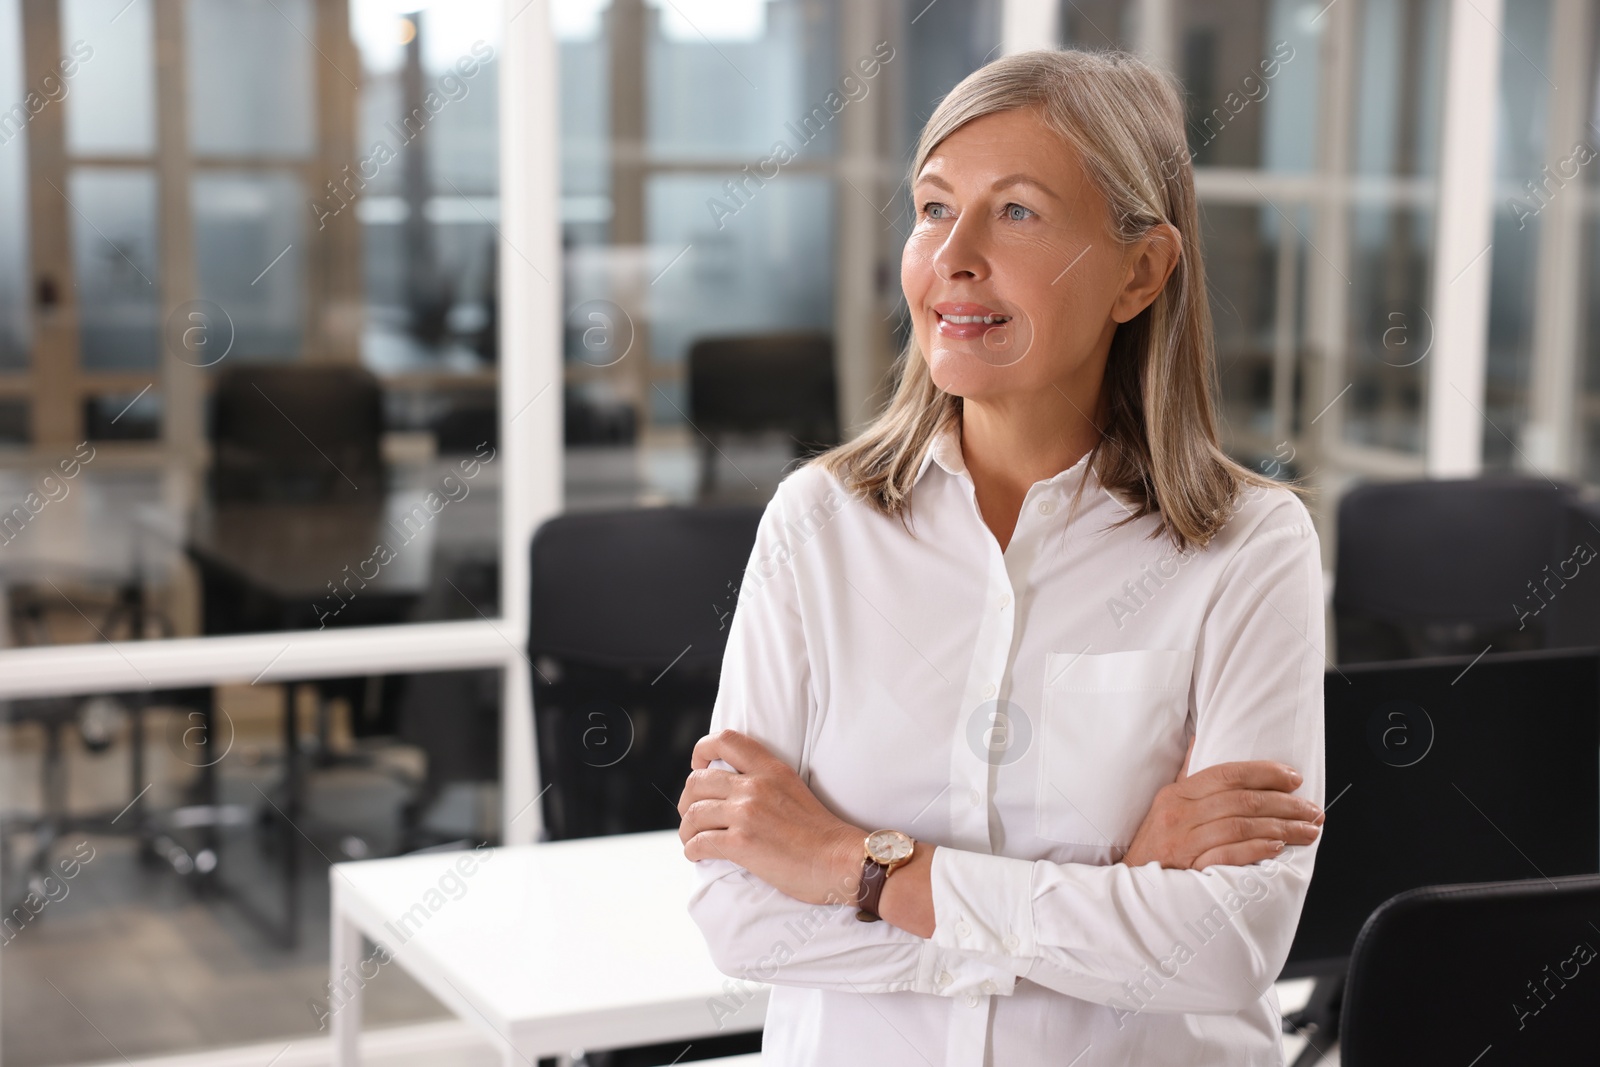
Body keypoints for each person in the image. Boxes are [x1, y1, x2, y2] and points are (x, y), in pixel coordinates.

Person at [677, 47, 1325, 1066]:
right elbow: (738, 915)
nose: (952, 256)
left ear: (1140, 271)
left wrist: (856, 867)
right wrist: (1113, 880)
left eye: (1016, 211)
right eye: (934, 208)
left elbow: (1226, 944)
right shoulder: (816, 523)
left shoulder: (1247, 546)